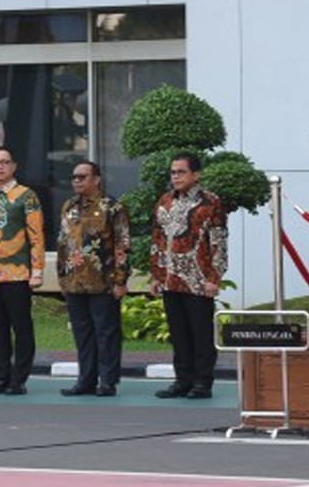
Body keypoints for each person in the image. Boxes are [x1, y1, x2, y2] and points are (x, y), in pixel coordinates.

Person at [149, 153, 227, 399]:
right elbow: (157, 240)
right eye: (173, 172)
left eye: (181, 172)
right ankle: (182, 380)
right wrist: (156, 275)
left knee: (201, 333)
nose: (176, 177)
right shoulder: (165, 201)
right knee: (179, 333)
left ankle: (202, 383)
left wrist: (215, 277)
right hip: (171, 278)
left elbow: (219, 242)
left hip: (198, 280)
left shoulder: (210, 202)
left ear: (196, 174)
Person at [0, 146, 45, 396]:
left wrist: (37, 270)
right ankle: (0, 376)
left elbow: (36, 236)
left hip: (17, 272)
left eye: (4, 162)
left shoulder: (26, 196)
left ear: (14, 167)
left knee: (21, 326)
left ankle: (19, 378)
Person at [57, 161, 131, 397]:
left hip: (103, 281)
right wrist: (62, 276)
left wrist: (120, 280)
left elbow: (123, 244)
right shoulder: (69, 206)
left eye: (82, 177)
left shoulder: (112, 207)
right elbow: (63, 243)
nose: (77, 181)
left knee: (106, 333)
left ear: (96, 179)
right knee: (82, 333)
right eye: (74, 177)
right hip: (75, 281)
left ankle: (107, 381)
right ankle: (85, 380)